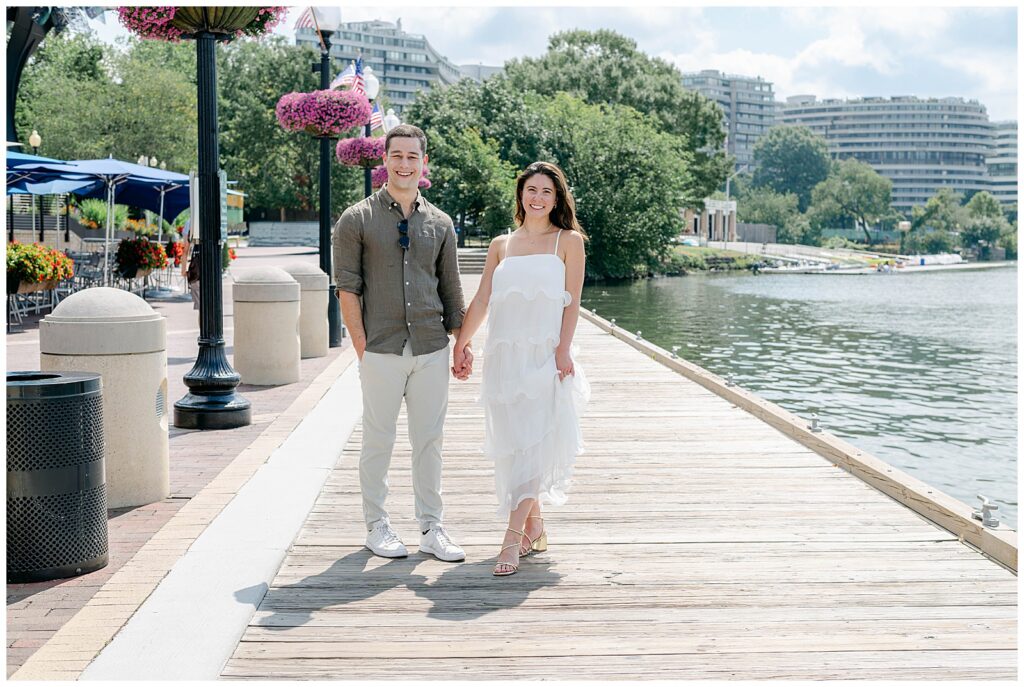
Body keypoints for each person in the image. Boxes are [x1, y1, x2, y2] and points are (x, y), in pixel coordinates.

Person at [332, 123, 468, 562]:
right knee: (379, 439)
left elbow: (452, 291)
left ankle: (432, 527)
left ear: (422, 162)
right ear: (384, 160)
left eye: (413, 156)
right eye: (397, 156)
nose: (405, 164)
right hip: (382, 349)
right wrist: (362, 347)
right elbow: (347, 289)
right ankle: (377, 525)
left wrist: (461, 343)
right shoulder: (356, 219)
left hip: (431, 347)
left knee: (430, 440)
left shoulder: (441, 223)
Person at [453, 161, 590, 576]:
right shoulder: (502, 245)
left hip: (545, 357)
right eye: (531, 189)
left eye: (547, 191)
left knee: (534, 442)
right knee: (516, 445)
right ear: (521, 195)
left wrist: (563, 350)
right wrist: (462, 341)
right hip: (504, 358)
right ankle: (536, 528)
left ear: (557, 198)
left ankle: (511, 541)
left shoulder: (568, 242)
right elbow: (481, 301)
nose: (538, 198)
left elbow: (574, 301)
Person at [180, 218, 200, 312]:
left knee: (201, 308)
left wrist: (183, 270)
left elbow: (185, 250)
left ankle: (203, 326)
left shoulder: (190, 222)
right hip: (211, 268)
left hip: (196, 270)